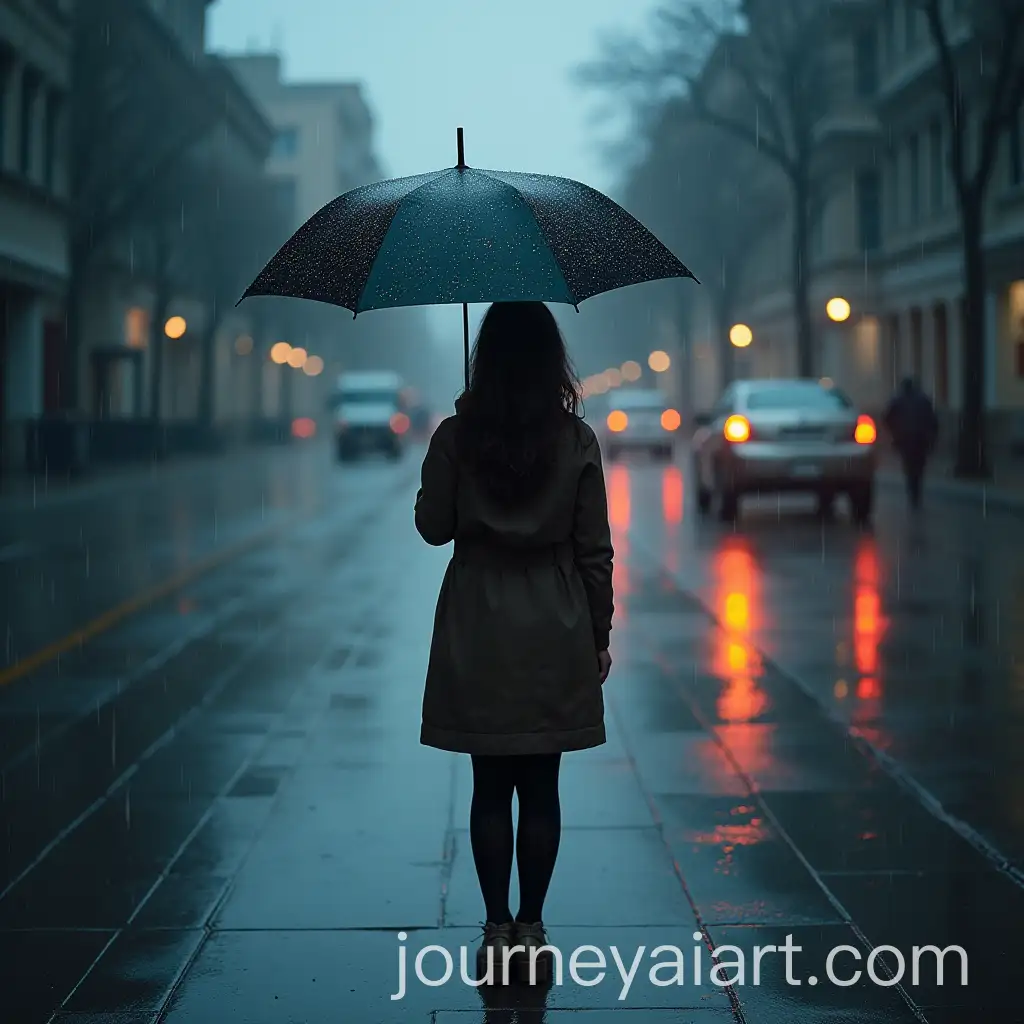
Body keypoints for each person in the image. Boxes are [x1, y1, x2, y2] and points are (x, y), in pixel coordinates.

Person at [414, 301, 614, 983]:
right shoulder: (576, 440)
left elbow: (433, 527)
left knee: (490, 784)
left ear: (486, 358)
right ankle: (532, 923)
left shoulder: (457, 436)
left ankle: (496, 924)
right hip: (555, 621)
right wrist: (598, 635)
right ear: (552, 360)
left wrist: (447, 457)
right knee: (542, 784)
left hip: (480, 621)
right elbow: (594, 551)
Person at [882, 376, 939, 510]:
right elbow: (933, 420)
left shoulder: (898, 400)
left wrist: (895, 431)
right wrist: (932, 437)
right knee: (919, 466)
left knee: (909, 466)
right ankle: (916, 492)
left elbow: (886, 418)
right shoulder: (923, 400)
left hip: (905, 439)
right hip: (921, 439)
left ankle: (912, 492)